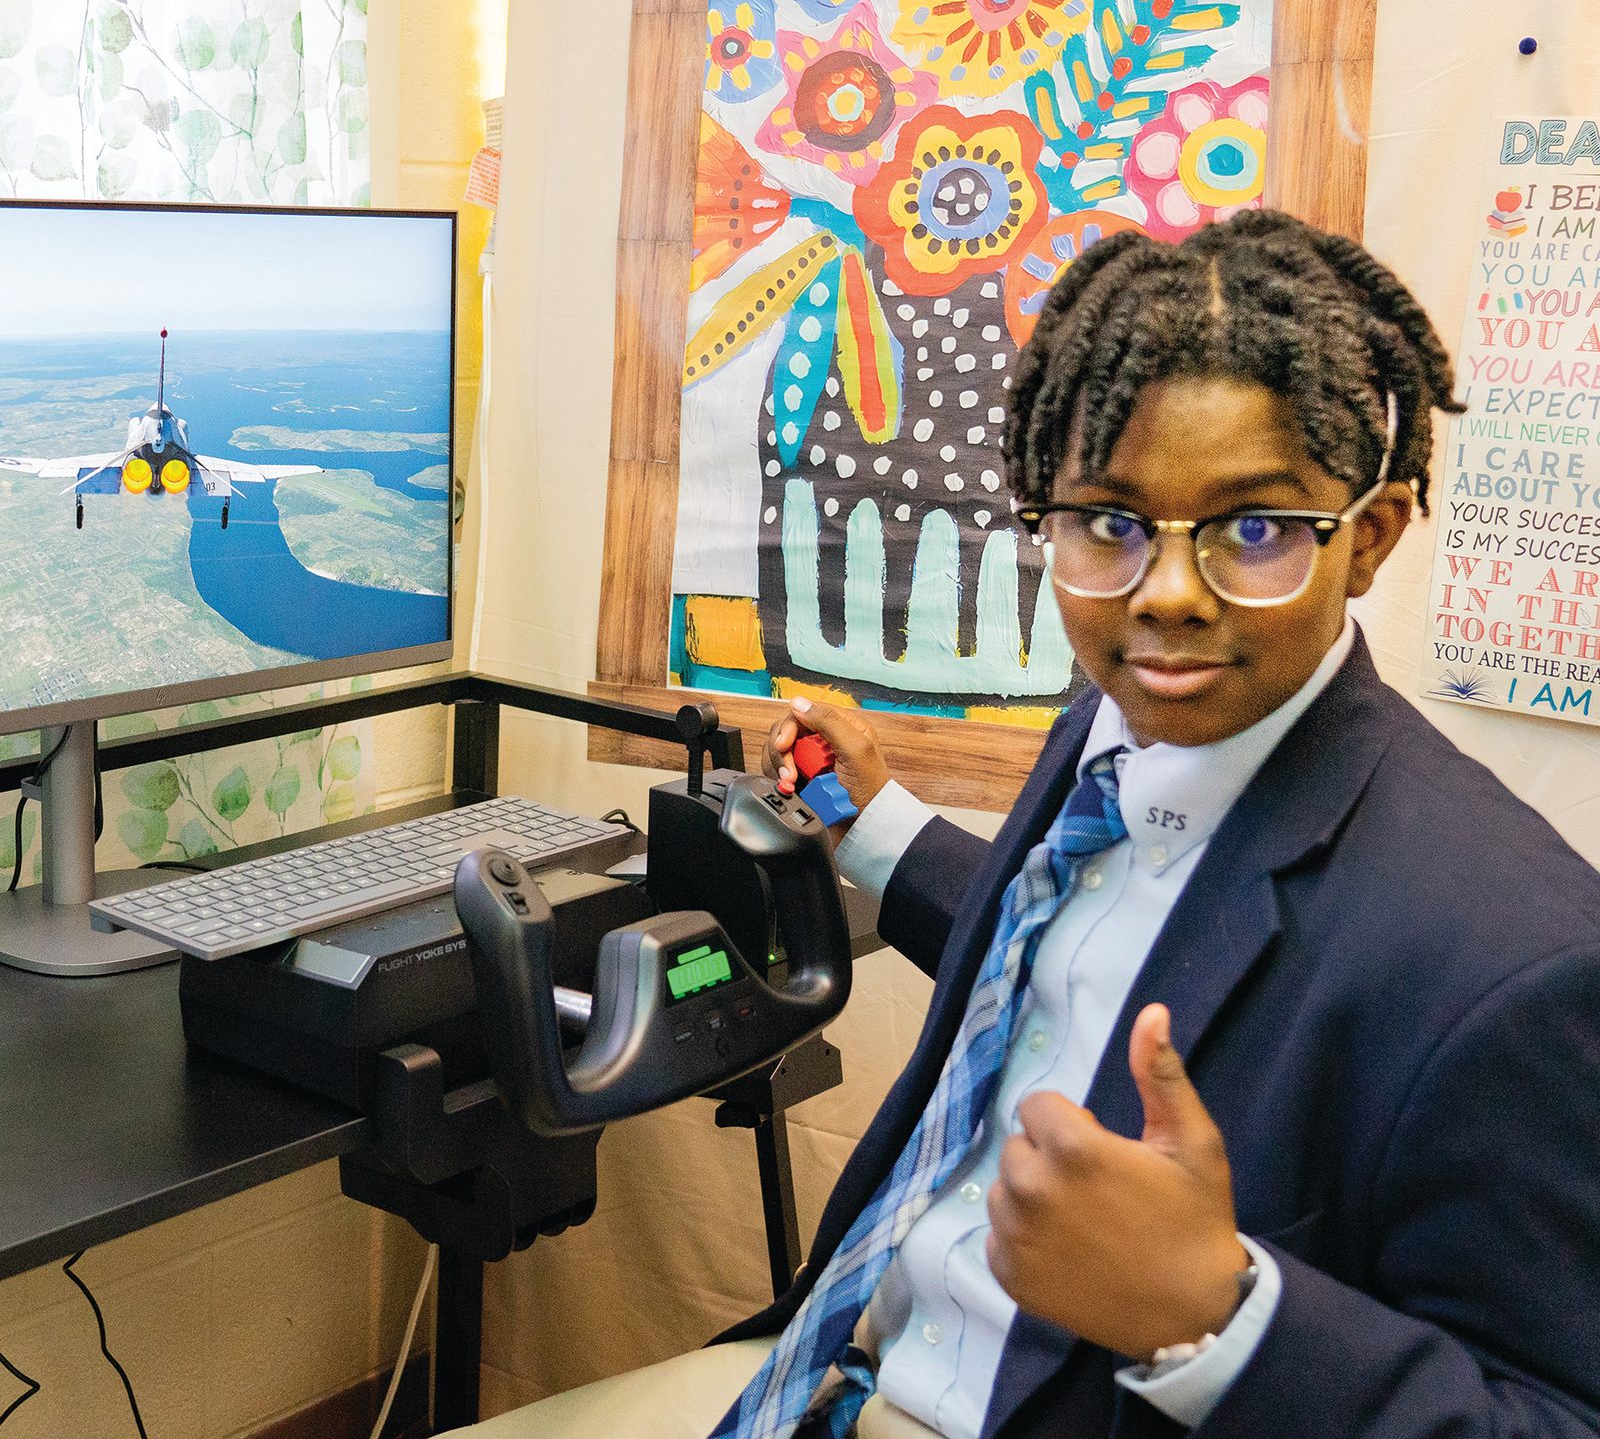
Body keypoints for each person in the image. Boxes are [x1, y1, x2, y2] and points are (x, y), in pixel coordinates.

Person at [444, 211, 1600, 1439]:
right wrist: (874, 824)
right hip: (827, 1370)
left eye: (1254, 530)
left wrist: (1218, 1317)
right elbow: (1081, 945)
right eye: (1108, 522)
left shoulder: (1513, 960)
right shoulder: (1116, 723)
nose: (1164, 595)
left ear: (1365, 539)